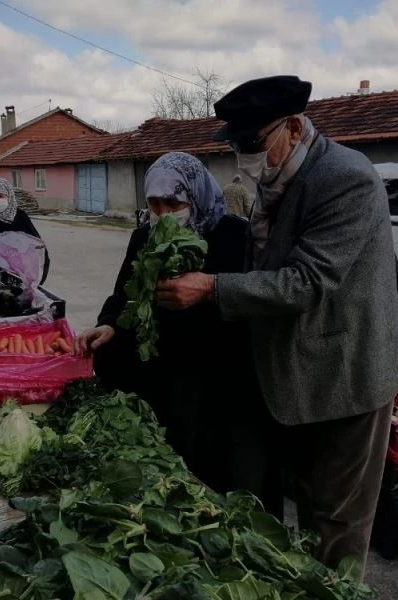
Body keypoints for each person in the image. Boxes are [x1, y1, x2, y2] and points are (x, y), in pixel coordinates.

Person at [155, 76, 398, 573]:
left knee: (336, 520)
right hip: (296, 371)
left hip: (343, 374)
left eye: (252, 143)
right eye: (236, 144)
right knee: (305, 503)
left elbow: (307, 281)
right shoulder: (276, 177)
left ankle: (338, 588)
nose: (244, 156)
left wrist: (212, 287)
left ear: (293, 127)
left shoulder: (344, 176)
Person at [74, 152, 264, 496]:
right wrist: (109, 325)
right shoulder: (143, 237)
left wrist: (207, 292)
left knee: (219, 466)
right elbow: (124, 295)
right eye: (154, 204)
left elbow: (251, 298)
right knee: (167, 457)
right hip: (163, 366)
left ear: (194, 194)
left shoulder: (234, 235)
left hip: (219, 366)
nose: (163, 214)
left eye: (172, 203)